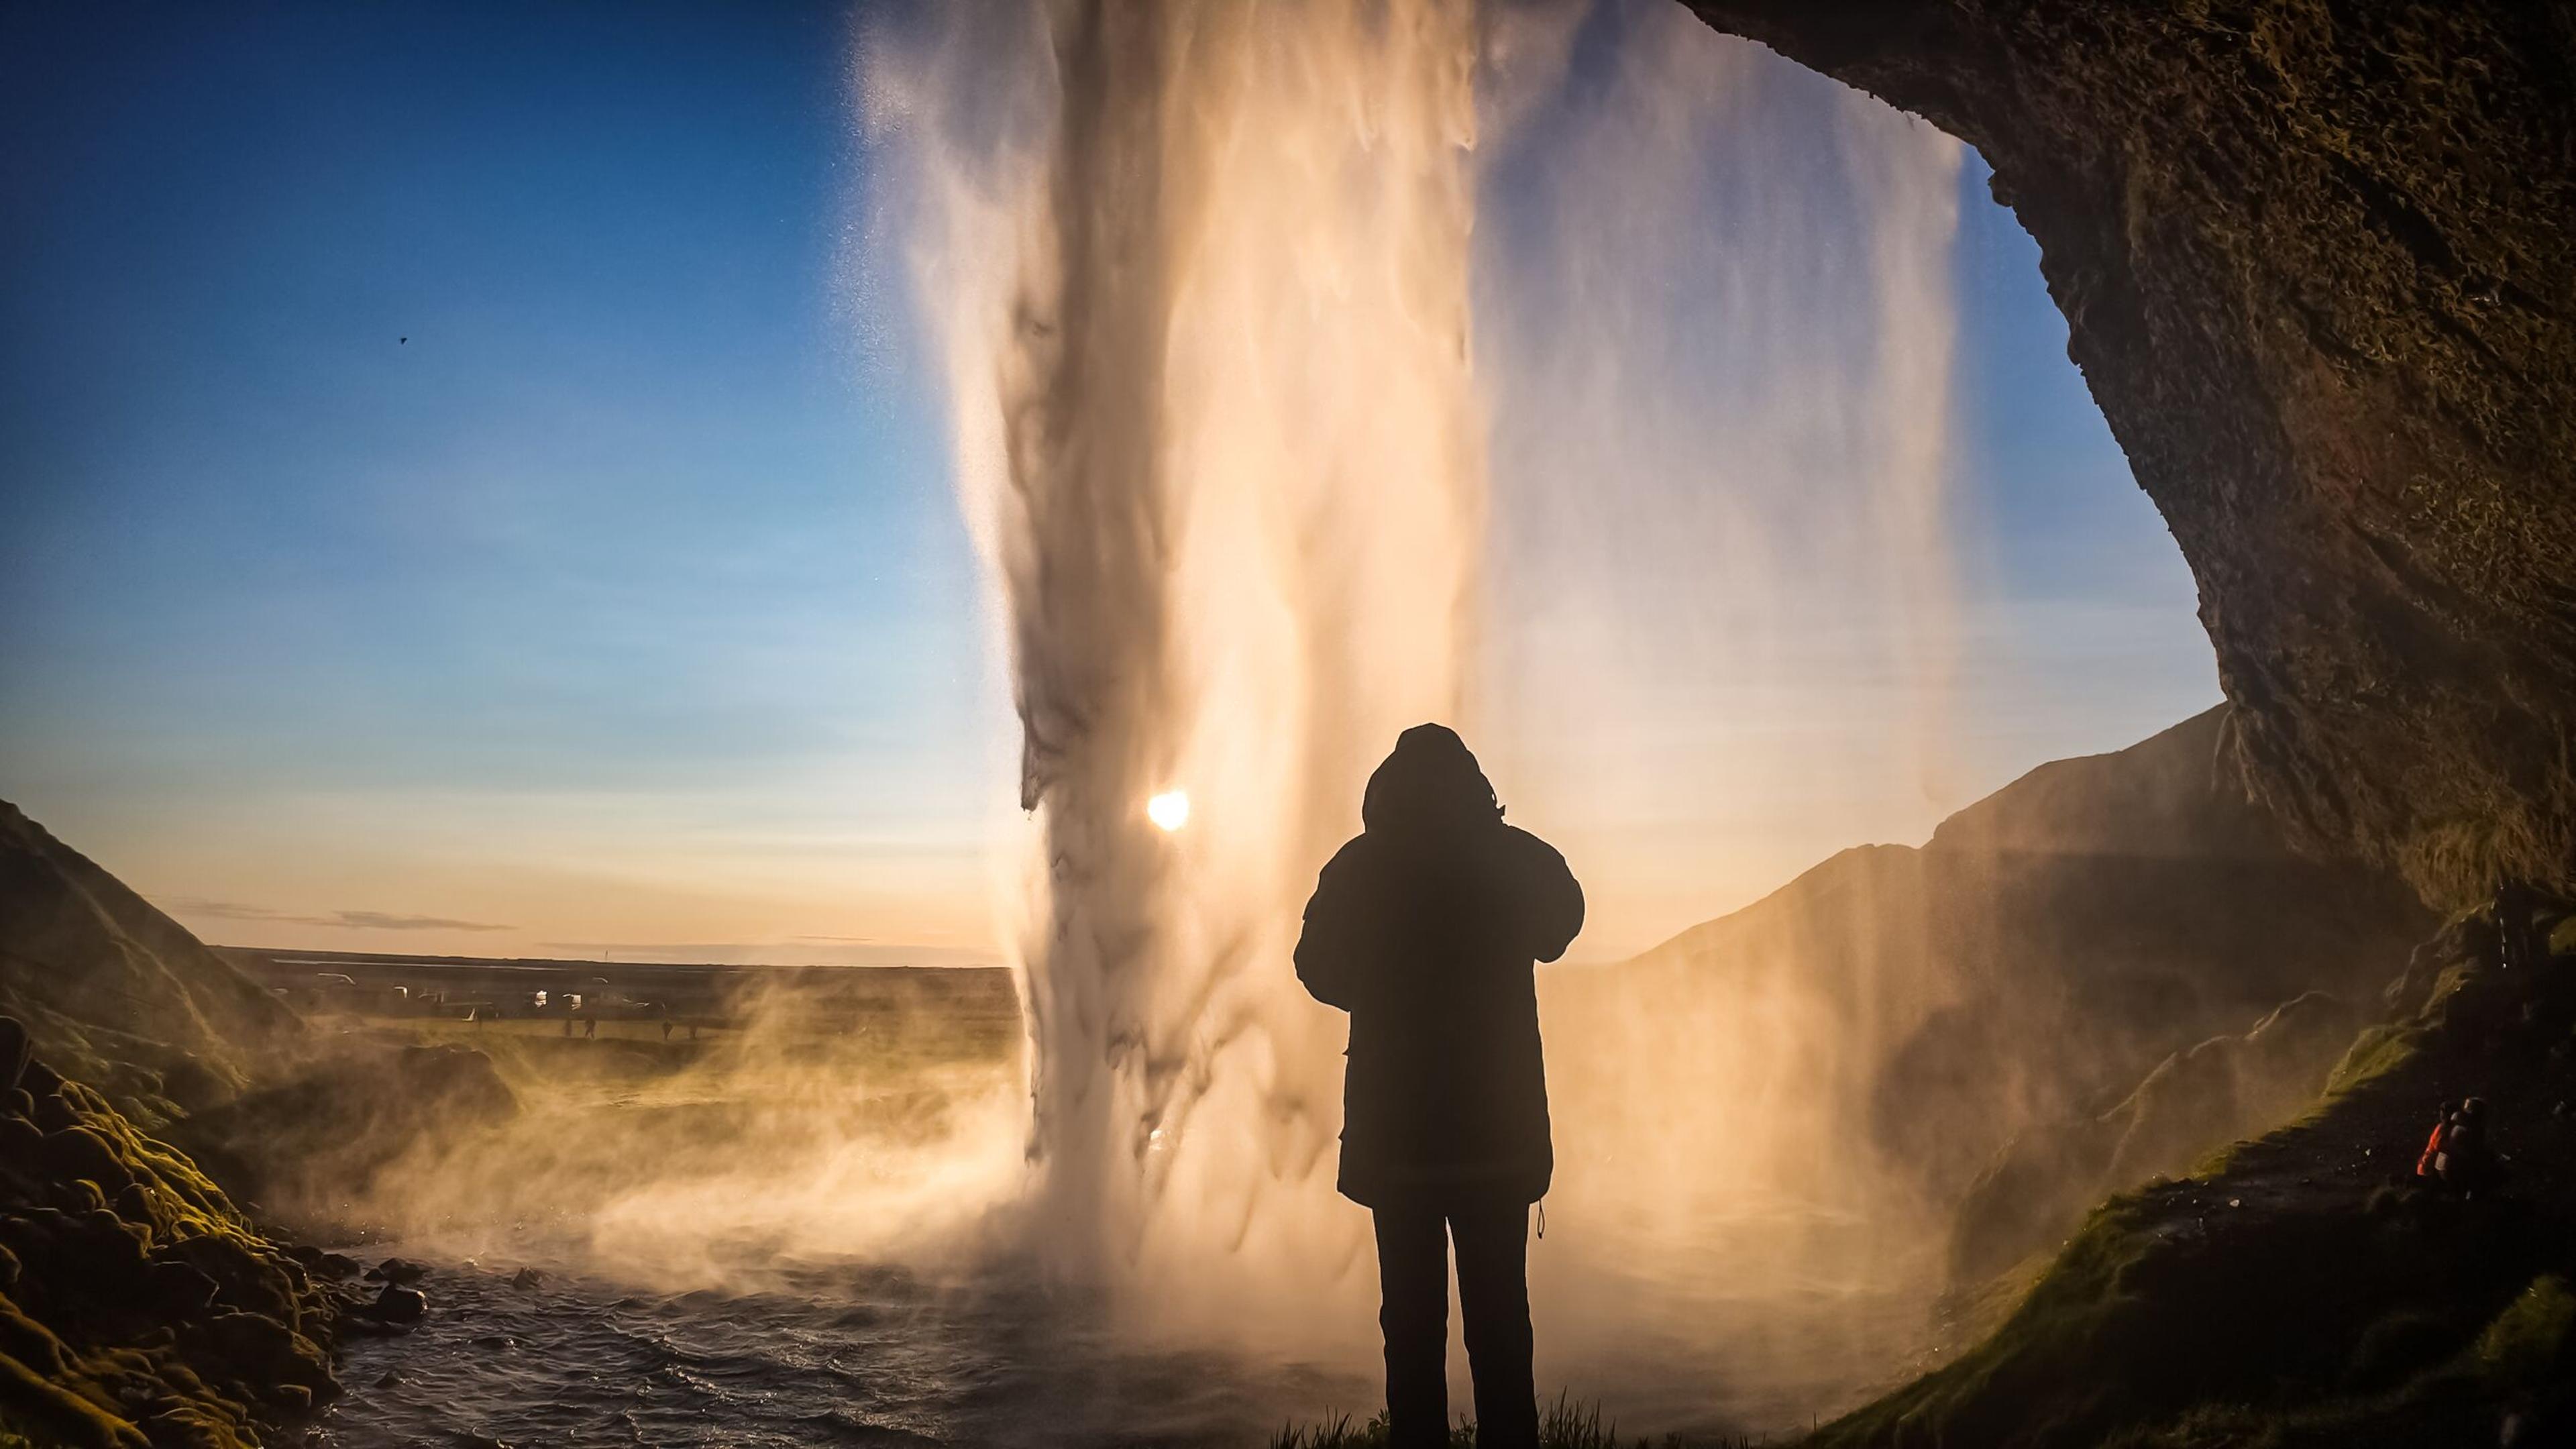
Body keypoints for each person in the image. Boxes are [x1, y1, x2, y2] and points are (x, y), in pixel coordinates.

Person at [1296, 724, 1585, 1449]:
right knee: (1500, 1327)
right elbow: (1562, 923)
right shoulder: (1509, 857)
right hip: (1497, 1143)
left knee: (1412, 1332)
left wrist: (1381, 990)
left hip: (1398, 1152)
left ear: (1385, 793)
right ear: (1475, 788)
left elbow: (1314, 966)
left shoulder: (1359, 867)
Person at [2415, 1099, 2457, 1183]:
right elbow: (2439, 1148)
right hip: (2430, 1168)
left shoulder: (2444, 1127)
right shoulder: (2444, 1128)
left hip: (2429, 1167)